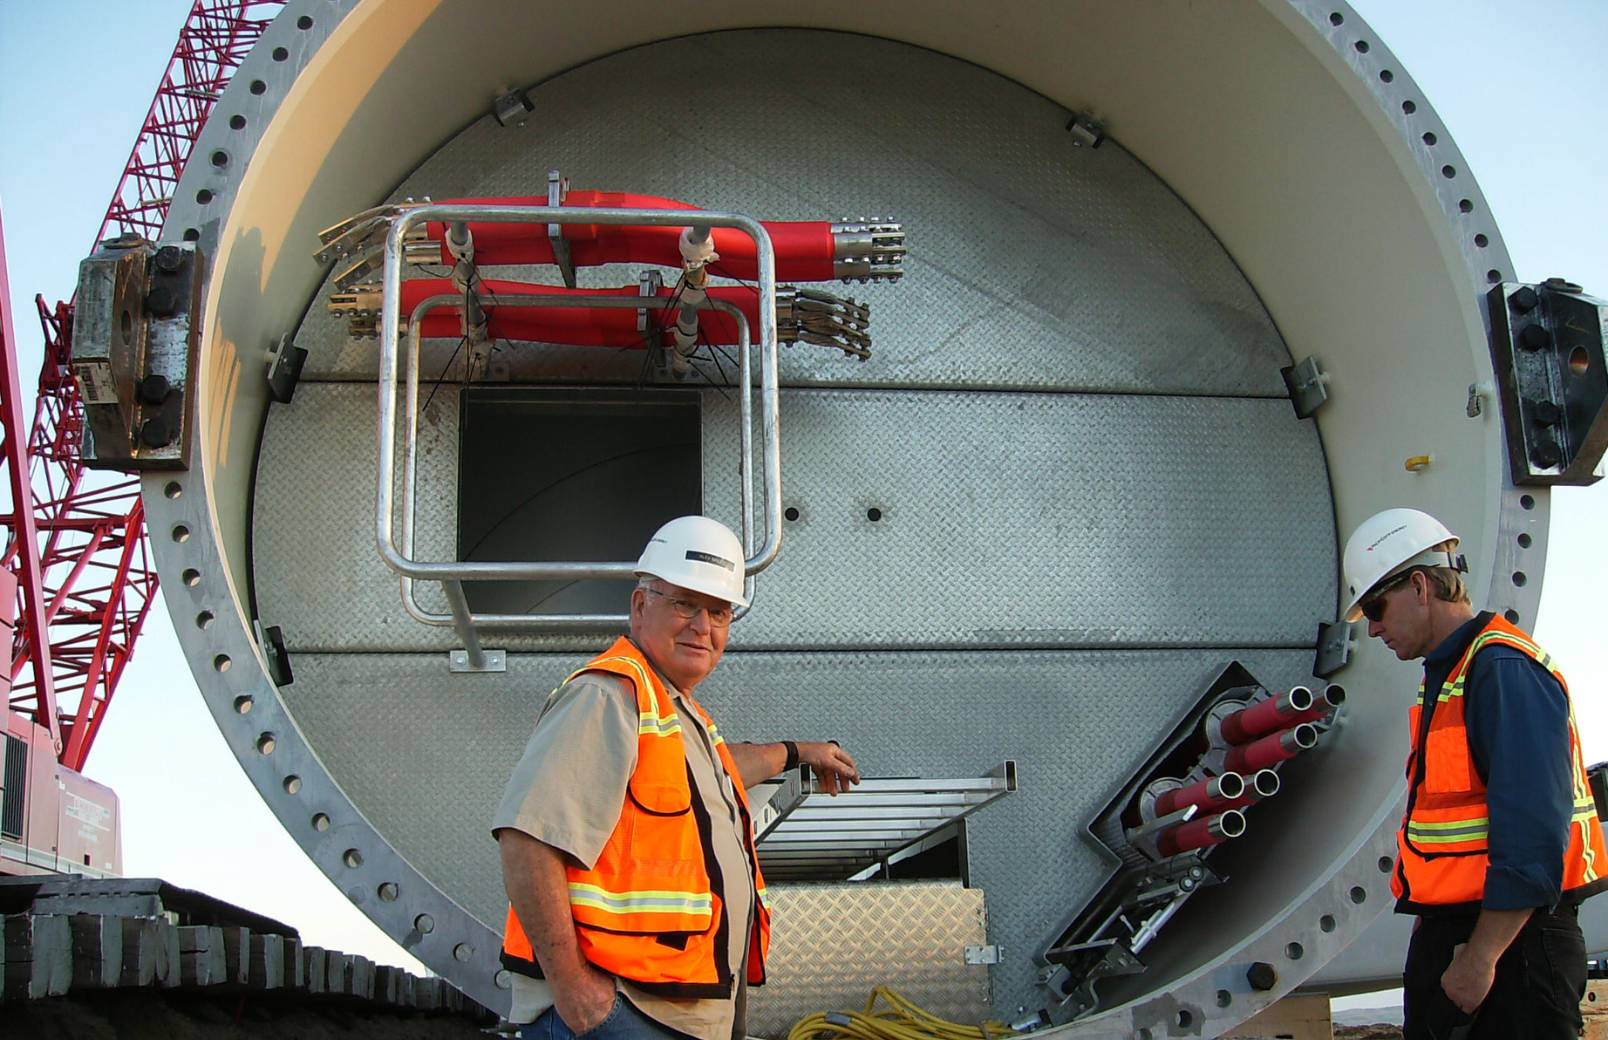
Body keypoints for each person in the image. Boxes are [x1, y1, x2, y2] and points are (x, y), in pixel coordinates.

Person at [492, 515, 860, 1040]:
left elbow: (721, 772)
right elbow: (527, 840)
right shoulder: (608, 695)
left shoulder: (673, 712)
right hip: (623, 1013)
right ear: (641, 606)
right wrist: (578, 996)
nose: (702, 626)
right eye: (685, 604)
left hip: (671, 1013)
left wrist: (800, 752)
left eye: (718, 612)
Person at [1340, 507, 1608, 1040]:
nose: (1371, 627)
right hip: (1466, 936)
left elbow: (1534, 840)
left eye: (1375, 606)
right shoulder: (1452, 675)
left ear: (1419, 585)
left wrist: (1480, 957)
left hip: (1513, 950)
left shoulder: (1503, 670)